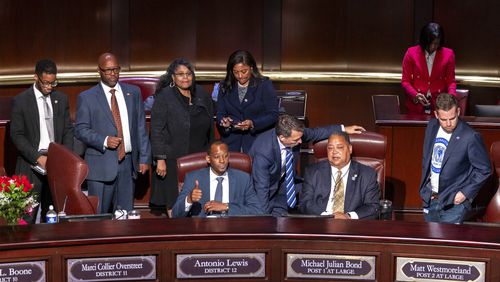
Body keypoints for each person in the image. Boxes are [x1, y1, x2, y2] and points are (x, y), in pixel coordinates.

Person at [75, 53, 151, 214]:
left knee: (125, 217)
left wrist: (144, 158)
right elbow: (80, 130)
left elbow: (140, 127)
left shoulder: (133, 92)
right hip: (100, 166)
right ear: (99, 71)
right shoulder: (87, 97)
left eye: (116, 69)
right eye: (108, 70)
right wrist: (104, 140)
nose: (113, 74)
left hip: (128, 163)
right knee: (99, 218)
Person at [249, 114, 365, 216]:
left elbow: (316, 132)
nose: (300, 142)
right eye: (296, 140)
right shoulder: (263, 152)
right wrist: (262, 218)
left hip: (285, 186)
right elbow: (261, 188)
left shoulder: (296, 133)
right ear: (282, 138)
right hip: (266, 191)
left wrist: (343, 129)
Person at [10, 59, 74, 223]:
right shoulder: (21, 101)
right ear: (35, 77)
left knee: (53, 217)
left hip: (56, 164)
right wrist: (38, 158)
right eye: (45, 83)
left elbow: (67, 131)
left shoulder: (61, 99)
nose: (49, 87)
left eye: (53, 83)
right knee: (26, 218)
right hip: (31, 165)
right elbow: (17, 135)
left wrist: (63, 157)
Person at [150, 58, 214, 217]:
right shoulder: (164, 96)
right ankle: (176, 234)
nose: (185, 77)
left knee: (197, 197)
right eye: (180, 74)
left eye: (188, 74)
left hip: (198, 156)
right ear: (173, 77)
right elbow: (156, 129)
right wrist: (160, 159)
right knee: (174, 200)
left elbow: (211, 126)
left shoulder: (201, 93)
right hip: (172, 158)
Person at [419, 93, 491, 224]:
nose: (448, 123)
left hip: (453, 204)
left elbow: (484, 169)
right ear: (436, 115)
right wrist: (425, 190)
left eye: (452, 118)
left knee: (447, 243)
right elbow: (427, 159)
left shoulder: (470, 136)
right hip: (430, 198)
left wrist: (465, 193)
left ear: (458, 111)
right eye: (443, 119)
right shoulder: (432, 126)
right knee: (430, 243)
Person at [299, 132, 380, 219]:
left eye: (340, 147)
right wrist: (327, 216)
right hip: (320, 224)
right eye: (330, 148)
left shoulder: (367, 174)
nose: (334, 152)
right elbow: (305, 203)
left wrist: (348, 216)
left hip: (353, 226)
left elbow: (372, 207)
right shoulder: (313, 172)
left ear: (350, 149)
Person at [172, 141, 262, 217]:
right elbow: (175, 214)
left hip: (232, 230)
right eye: (217, 157)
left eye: (225, 156)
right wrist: (189, 199)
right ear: (208, 159)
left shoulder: (243, 179)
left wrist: (226, 207)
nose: (222, 160)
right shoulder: (193, 178)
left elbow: (257, 211)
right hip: (203, 231)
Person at [216, 50, 279, 153]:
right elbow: (220, 113)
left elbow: (273, 115)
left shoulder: (264, 85)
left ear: (251, 68)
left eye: (244, 71)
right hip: (231, 144)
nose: (240, 76)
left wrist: (253, 123)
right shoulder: (225, 85)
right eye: (236, 72)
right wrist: (224, 122)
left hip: (257, 143)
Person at [402, 22, 456, 115]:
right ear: (424, 41)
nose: (433, 47)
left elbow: (451, 81)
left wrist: (450, 99)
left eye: (436, 43)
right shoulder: (411, 53)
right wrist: (415, 94)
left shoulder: (448, 54)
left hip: (440, 106)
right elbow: (405, 81)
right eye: (430, 43)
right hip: (416, 105)